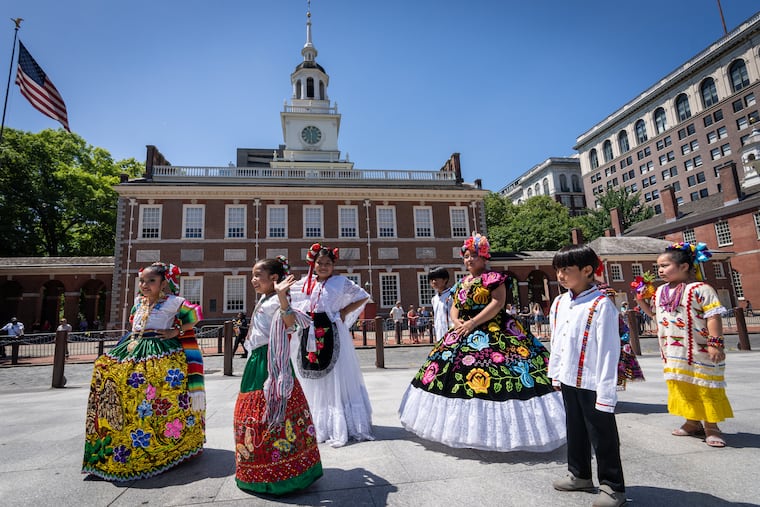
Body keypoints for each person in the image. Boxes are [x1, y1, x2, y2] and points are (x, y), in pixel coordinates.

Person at [399, 234, 566, 452]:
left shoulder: (494, 278)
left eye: (474, 256)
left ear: (484, 257)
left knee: (503, 372)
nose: (469, 260)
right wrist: (458, 322)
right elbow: (455, 306)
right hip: (463, 330)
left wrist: (473, 323)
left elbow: (498, 303)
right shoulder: (462, 282)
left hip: (493, 329)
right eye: (466, 256)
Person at [82, 262, 205, 481]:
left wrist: (176, 331)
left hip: (159, 349)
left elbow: (195, 314)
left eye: (151, 281)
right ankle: (125, 442)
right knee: (110, 378)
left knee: (151, 395)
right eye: (142, 281)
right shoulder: (138, 301)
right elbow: (133, 323)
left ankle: (163, 444)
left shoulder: (172, 302)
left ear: (163, 283)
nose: (145, 285)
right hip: (132, 346)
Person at [234, 256, 322, 494]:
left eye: (257, 275)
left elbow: (290, 323)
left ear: (274, 278)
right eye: (252, 275)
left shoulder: (278, 299)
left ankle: (283, 474)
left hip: (271, 362)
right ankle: (259, 470)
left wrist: (282, 296)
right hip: (256, 361)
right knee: (253, 413)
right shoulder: (265, 298)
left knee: (272, 410)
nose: (253, 279)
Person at [548, 244, 627, 507]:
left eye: (566, 270)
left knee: (602, 434)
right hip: (569, 378)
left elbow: (607, 351)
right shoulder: (560, 302)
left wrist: (606, 392)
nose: (560, 275)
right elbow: (557, 340)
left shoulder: (601, 305)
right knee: (576, 429)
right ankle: (580, 474)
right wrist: (555, 374)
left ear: (587, 270)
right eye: (558, 270)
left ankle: (612, 486)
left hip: (593, 382)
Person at [637, 242, 732, 448]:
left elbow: (713, 316)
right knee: (682, 386)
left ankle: (712, 427)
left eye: (665, 265)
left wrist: (715, 343)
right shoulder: (661, 291)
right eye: (659, 267)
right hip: (673, 351)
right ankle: (692, 422)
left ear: (684, 266)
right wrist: (641, 301)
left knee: (705, 387)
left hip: (700, 350)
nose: (660, 270)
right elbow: (655, 315)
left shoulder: (701, 289)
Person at [290, 243, 374, 447]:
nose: (324, 266)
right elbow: (288, 299)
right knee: (312, 377)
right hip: (308, 332)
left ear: (333, 265)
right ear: (313, 263)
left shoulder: (340, 282)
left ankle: (341, 423)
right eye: (320, 263)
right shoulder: (304, 283)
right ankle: (315, 422)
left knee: (336, 376)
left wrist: (344, 312)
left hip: (332, 331)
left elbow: (363, 296)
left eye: (328, 263)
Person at [428, 266, 453, 341]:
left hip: (451, 335)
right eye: (432, 279)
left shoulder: (452, 295)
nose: (434, 282)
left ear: (445, 279)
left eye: (436, 279)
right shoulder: (434, 299)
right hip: (439, 336)